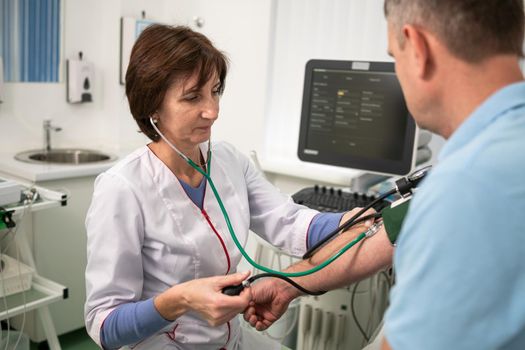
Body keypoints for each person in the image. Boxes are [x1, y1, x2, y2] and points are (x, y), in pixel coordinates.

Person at [84, 24, 386, 350]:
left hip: (232, 338)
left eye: (215, 91)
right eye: (192, 97)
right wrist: (178, 300)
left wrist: (350, 221)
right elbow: (105, 326)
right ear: (152, 107)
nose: (212, 111)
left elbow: (289, 221)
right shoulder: (122, 189)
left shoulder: (228, 160)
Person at [245, 1, 525, 349]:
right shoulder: (492, 155)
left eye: (395, 57)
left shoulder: (465, 188)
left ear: (418, 48)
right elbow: (386, 233)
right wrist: (288, 284)